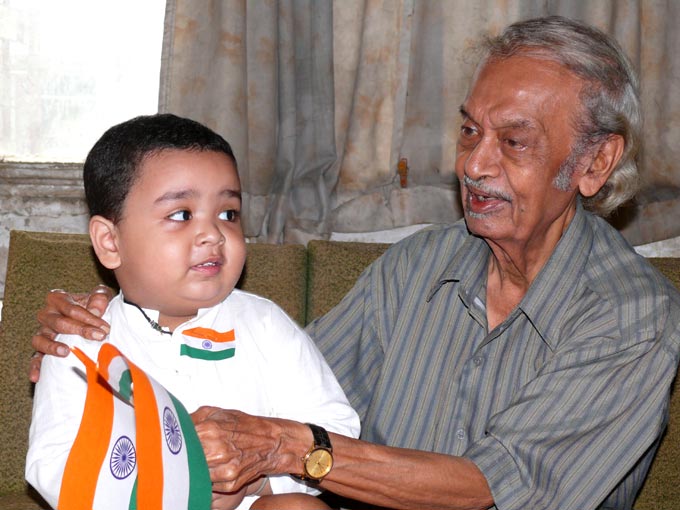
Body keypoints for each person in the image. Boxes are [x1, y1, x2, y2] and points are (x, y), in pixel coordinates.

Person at [29, 16, 680, 510]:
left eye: (513, 142)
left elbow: (495, 485)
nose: (474, 165)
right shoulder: (419, 266)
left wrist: (290, 448)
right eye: (468, 132)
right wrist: (108, 344)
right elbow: (266, 382)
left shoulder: (632, 319)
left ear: (595, 163)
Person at [25, 114, 360, 510]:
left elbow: (336, 430)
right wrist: (166, 489)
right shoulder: (81, 342)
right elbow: (53, 465)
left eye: (228, 214)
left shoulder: (265, 323)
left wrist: (258, 485)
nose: (213, 234)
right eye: (182, 215)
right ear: (109, 242)